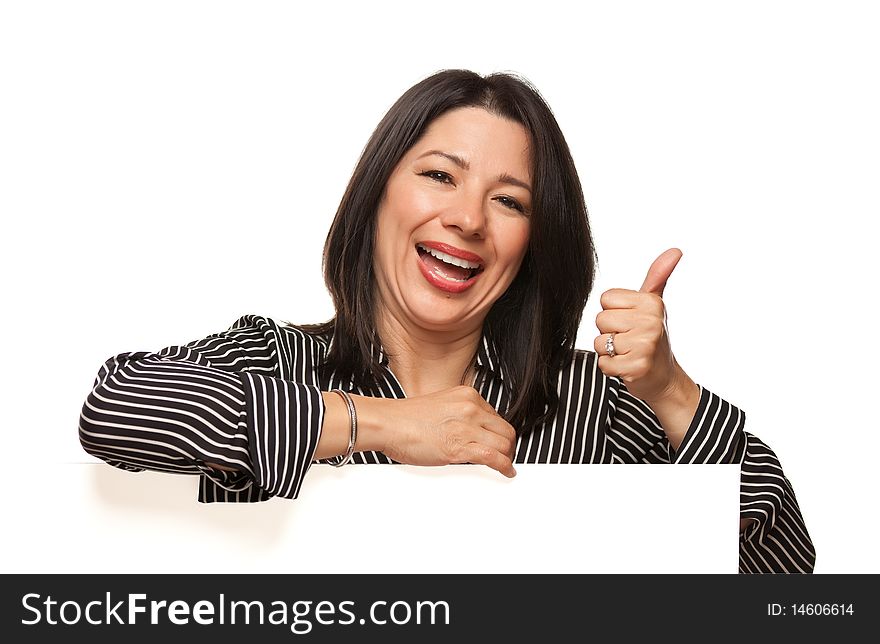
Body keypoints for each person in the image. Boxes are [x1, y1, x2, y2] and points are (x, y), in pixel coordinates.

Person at [79, 68, 815, 574]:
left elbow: (779, 582)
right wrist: (389, 425)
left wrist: (674, 394)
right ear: (378, 197)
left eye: (509, 200)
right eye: (439, 175)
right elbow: (114, 407)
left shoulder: (592, 406)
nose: (466, 219)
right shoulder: (275, 360)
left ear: (533, 242)